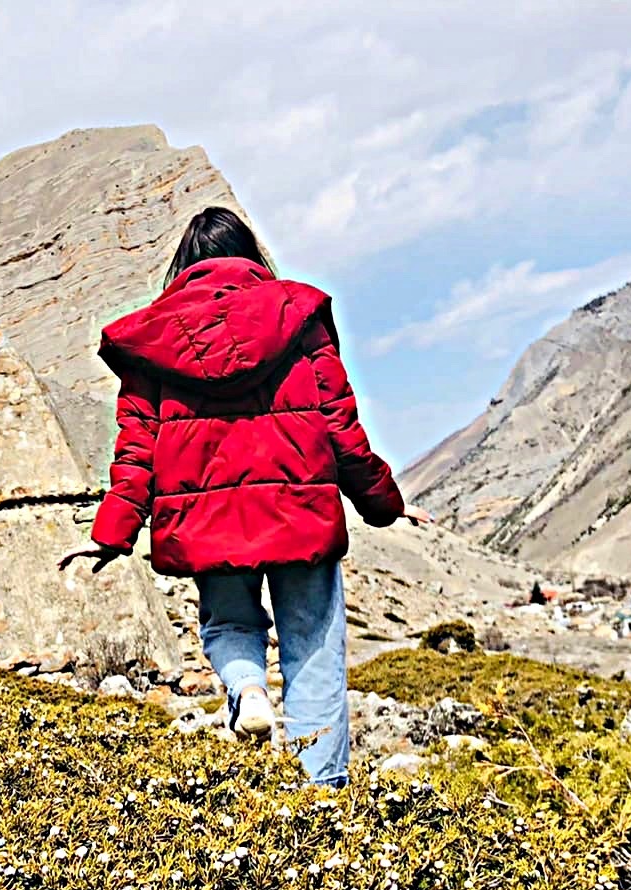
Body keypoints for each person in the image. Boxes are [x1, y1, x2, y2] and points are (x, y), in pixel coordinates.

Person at [60, 206, 426, 787]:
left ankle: (249, 689)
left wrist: (111, 533)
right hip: (300, 513)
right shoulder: (298, 315)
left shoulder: (151, 338)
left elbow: (137, 449)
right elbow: (340, 426)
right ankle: (323, 800)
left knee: (229, 623)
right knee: (313, 651)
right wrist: (383, 502)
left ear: (183, 266)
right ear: (250, 254)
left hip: (207, 522)